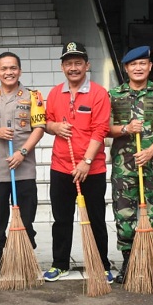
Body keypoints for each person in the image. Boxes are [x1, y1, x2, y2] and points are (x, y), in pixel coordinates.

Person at [108, 46, 153, 284]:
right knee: (124, 214)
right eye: (133, 64)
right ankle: (128, 261)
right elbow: (106, 128)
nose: (138, 68)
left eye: (142, 64)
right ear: (125, 68)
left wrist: (151, 151)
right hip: (123, 167)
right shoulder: (114, 95)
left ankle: (150, 260)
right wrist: (126, 128)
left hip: (151, 165)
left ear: (150, 67)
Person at [43, 41, 111, 282]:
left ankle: (101, 264)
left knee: (95, 217)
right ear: (62, 67)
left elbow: (100, 130)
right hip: (60, 167)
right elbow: (46, 123)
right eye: (69, 63)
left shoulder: (99, 93)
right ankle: (60, 263)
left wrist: (86, 161)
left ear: (87, 65)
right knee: (61, 218)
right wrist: (55, 126)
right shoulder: (53, 94)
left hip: (92, 168)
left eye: (78, 63)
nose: (73, 68)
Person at [0, 51, 46, 281]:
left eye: (13, 68)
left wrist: (22, 152)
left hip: (23, 168)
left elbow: (39, 128)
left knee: (26, 217)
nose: (9, 72)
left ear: (20, 71)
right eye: (4, 69)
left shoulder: (33, 96)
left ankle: (23, 258)